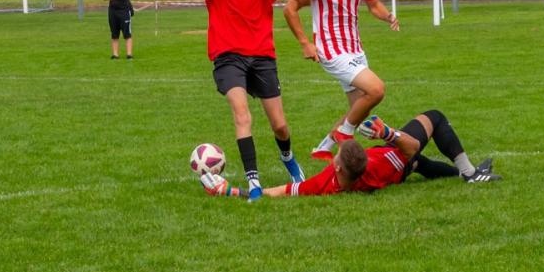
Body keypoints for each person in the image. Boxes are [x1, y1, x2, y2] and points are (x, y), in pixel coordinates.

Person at [159, 0, 310, 199]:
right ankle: (254, 184)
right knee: (242, 115)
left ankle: (288, 158)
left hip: (262, 56)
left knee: (279, 125)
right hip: (227, 56)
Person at [283, 0, 400, 159]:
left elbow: (373, 5)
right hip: (331, 50)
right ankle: (343, 134)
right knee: (376, 90)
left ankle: (323, 147)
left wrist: (388, 16)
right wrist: (306, 43)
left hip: (355, 49)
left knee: (359, 108)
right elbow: (289, 9)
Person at [201, 110, 498, 197]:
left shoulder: (325, 184)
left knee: (424, 165)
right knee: (434, 118)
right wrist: (388, 133)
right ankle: (470, 173)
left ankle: (463, 174)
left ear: (339, 168)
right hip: (400, 158)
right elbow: (411, 149)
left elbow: (276, 192)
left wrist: (230, 191)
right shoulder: (378, 164)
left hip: (403, 167)